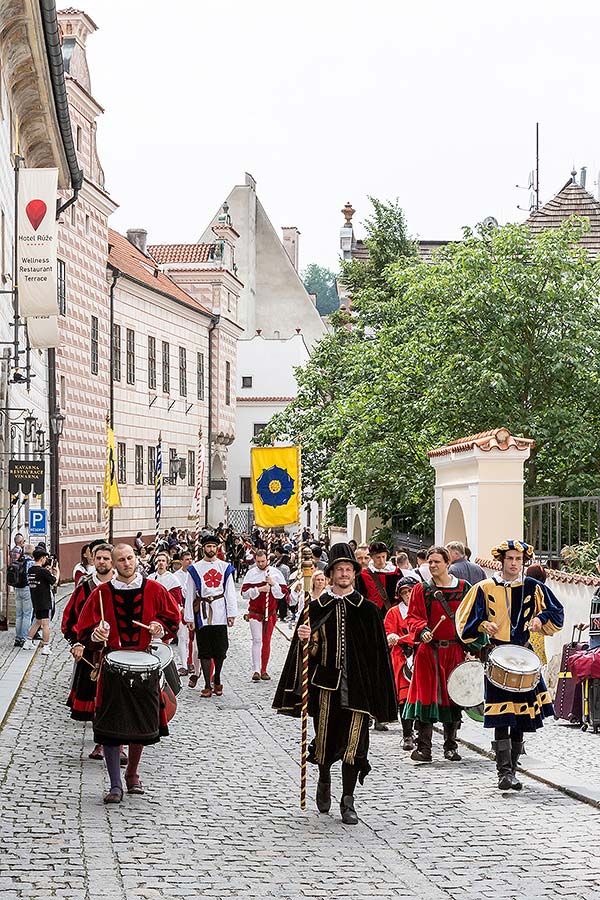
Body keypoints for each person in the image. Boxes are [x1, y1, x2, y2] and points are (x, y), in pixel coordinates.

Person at [273, 543, 397, 825]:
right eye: (339, 569)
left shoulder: (367, 611)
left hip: (360, 688)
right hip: (327, 688)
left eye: (348, 570)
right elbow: (308, 655)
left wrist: (381, 695)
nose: (344, 574)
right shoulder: (316, 609)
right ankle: (325, 777)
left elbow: (378, 656)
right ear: (330, 575)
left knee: (356, 746)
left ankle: (348, 800)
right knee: (327, 743)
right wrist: (305, 637)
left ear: (354, 574)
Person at [76, 543, 180, 803]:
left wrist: (159, 626)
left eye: (129, 558)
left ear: (136, 559)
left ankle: (132, 774)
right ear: (112, 563)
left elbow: (172, 619)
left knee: (139, 724)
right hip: (112, 665)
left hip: (144, 664)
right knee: (111, 726)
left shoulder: (155, 590)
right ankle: (114, 784)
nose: (126, 563)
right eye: (120, 560)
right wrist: (94, 635)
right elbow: (84, 630)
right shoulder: (101, 594)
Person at [456, 539, 564, 791]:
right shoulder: (483, 588)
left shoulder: (533, 587)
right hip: (497, 656)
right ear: (502, 561)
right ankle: (503, 772)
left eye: (518, 559)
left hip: (524, 658)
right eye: (510, 559)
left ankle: (512, 770)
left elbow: (556, 612)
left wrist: (540, 618)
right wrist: (483, 625)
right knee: (502, 716)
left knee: (520, 719)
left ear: (523, 562)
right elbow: (464, 620)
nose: (514, 563)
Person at [403, 545, 474, 763]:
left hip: (454, 651)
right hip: (428, 652)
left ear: (447, 563)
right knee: (426, 697)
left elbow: (471, 618)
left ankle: (451, 746)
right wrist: (422, 630)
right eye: (430, 562)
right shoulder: (421, 590)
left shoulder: (464, 588)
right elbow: (413, 617)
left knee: (453, 697)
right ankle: (424, 748)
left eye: (437, 562)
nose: (432, 565)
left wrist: (474, 646)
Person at [61, 542, 116, 761]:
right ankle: (101, 743)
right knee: (96, 700)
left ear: (112, 561)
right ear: (92, 559)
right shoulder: (84, 587)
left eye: (106, 558)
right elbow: (70, 618)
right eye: (98, 558)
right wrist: (76, 642)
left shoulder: (122, 586)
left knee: (116, 700)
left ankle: (118, 745)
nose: (102, 561)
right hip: (91, 654)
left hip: (117, 651)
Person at [184, 534, 237, 697]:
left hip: (220, 610)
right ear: (203, 548)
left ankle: (217, 678)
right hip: (203, 612)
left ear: (217, 548)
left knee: (220, 649)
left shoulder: (225, 567)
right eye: (208, 546)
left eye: (214, 546)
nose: (211, 549)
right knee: (204, 650)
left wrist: (231, 613)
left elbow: (230, 591)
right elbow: (191, 593)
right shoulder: (195, 568)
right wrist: (189, 618)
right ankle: (207, 683)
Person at [241, 548, 287, 681]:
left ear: (267, 560)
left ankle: (264, 669)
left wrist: (273, 584)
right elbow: (244, 593)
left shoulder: (275, 573)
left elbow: (282, 594)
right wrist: (259, 589)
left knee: (266, 641)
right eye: (258, 561)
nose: (261, 564)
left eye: (263, 561)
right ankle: (256, 670)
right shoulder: (251, 573)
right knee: (257, 640)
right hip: (255, 612)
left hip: (270, 612)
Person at [384, 577, 417, 750]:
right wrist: (392, 637)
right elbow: (389, 632)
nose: (408, 595)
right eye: (404, 593)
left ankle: (421, 733)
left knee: (422, 697)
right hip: (402, 658)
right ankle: (407, 734)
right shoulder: (394, 613)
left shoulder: (422, 612)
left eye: (410, 591)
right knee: (404, 698)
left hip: (421, 657)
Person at [22, 549, 59, 654]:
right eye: (45, 558)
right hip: (44, 600)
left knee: (38, 621)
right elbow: (54, 582)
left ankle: (28, 641)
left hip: (35, 599)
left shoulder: (31, 570)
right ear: (42, 558)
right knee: (46, 624)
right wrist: (57, 572)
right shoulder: (43, 571)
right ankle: (46, 646)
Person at [173, 550, 197, 677]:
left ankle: (191, 661)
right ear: (181, 561)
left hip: (195, 608)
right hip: (182, 609)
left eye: (190, 559)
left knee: (193, 639)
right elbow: (177, 595)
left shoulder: (195, 573)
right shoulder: (176, 576)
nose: (189, 561)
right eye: (186, 559)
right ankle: (183, 664)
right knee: (183, 638)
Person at [13, 542, 34, 647]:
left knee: (19, 615)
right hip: (27, 589)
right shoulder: (31, 562)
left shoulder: (18, 561)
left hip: (17, 588)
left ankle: (18, 637)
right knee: (27, 614)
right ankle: (24, 638)